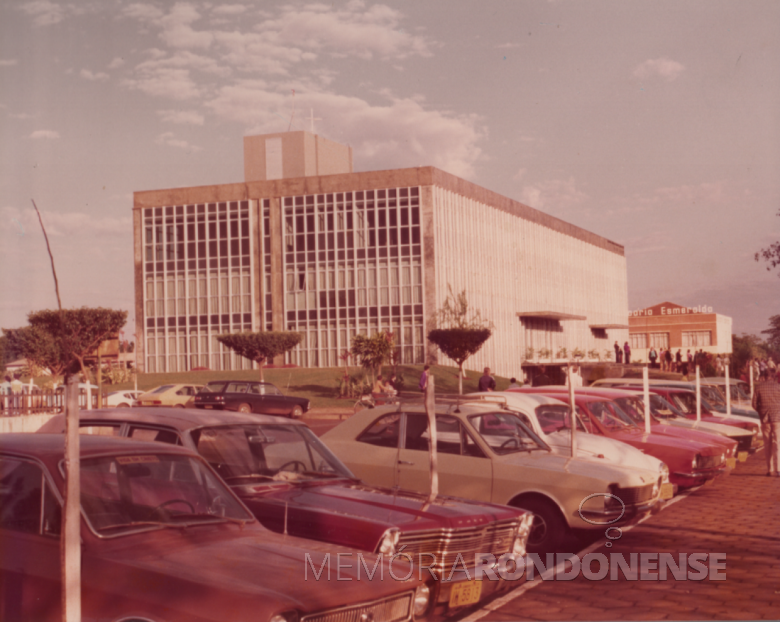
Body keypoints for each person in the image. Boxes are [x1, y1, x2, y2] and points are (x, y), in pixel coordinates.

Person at [752, 370, 780, 477]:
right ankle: (779, 469)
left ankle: (770, 469)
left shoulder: (759, 387)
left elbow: (754, 404)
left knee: (767, 444)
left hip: (764, 419)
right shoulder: (778, 387)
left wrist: (761, 411)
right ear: (774, 377)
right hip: (777, 418)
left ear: (765, 376)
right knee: (778, 443)